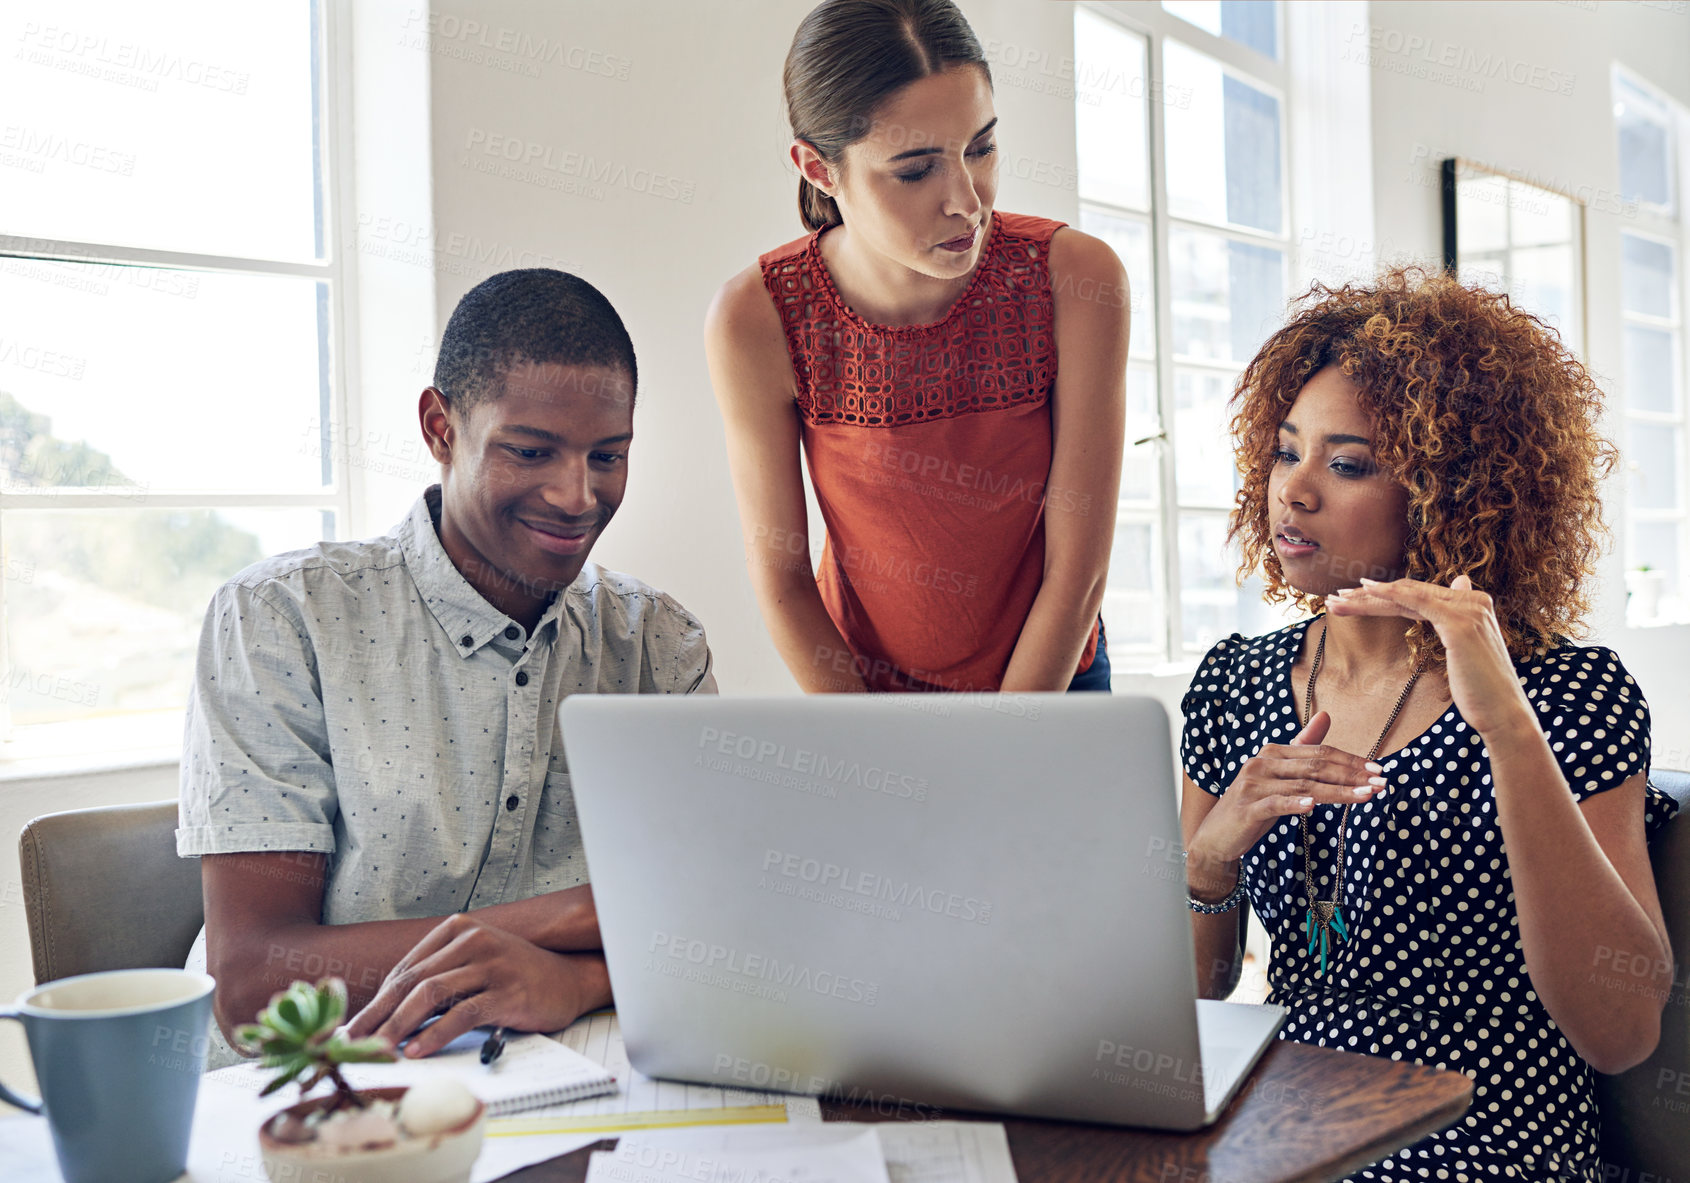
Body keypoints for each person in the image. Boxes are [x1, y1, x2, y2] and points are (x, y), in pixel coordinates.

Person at [1179, 266, 1676, 1180]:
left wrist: (1509, 730)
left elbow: (1621, 1032)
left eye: (1348, 463)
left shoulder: (1570, 693)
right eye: (1287, 450)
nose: (1293, 490)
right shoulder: (1235, 685)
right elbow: (1196, 998)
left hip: (1480, 1134)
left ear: (1452, 492)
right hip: (1280, 1121)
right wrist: (1210, 857)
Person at [177, 269, 715, 1064]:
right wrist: (577, 916)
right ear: (439, 427)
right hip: (312, 1094)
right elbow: (253, 979)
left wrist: (572, 982)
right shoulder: (282, 619)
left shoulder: (660, 643)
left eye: (609, 455)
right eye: (532, 451)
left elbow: (717, 926)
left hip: (565, 1078)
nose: (577, 495)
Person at [706, 0, 1127, 694]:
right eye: (914, 170)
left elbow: (1077, 573)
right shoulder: (756, 318)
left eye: (981, 147)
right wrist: (883, 750)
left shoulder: (1078, 279)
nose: (968, 199)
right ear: (817, 168)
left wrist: (1004, 745)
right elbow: (781, 577)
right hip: (865, 702)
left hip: (1055, 684)